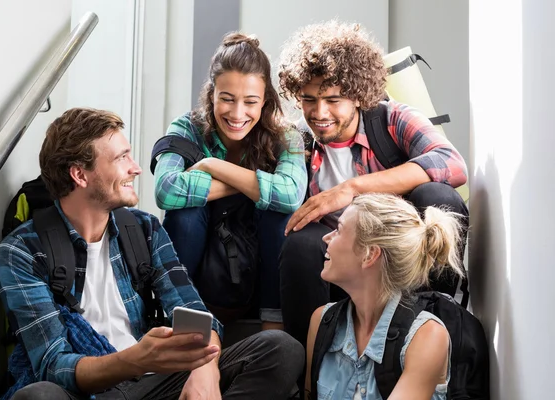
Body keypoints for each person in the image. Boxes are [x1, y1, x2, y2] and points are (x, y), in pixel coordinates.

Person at [0, 108, 304, 400]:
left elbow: (195, 314)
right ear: (80, 175)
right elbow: (53, 364)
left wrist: (204, 366)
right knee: (38, 396)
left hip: (153, 383)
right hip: (87, 390)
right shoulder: (22, 250)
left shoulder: (143, 229)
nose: (136, 167)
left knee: (280, 349)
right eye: (121, 158)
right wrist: (135, 360)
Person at [276, 20, 469, 347]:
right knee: (299, 244)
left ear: (357, 94)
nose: (319, 112)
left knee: (438, 195)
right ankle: (308, 359)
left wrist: (350, 189)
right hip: (339, 264)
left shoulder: (391, 118)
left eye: (333, 99)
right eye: (309, 99)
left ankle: (436, 328)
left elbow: (452, 163)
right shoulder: (297, 141)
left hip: (400, 260)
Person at [153, 32, 307, 329]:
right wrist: (256, 185)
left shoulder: (285, 136)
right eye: (227, 99)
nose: (238, 114)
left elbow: (290, 195)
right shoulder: (187, 127)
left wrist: (212, 165)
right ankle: (180, 319)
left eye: (250, 102)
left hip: (260, 251)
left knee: (278, 213)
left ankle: (272, 325)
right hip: (204, 251)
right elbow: (166, 190)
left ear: (265, 101)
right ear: (211, 94)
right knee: (184, 213)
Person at [306, 193, 464, 400]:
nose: (326, 237)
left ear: (370, 254)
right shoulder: (322, 322)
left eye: (339, 230)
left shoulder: (426, 337)